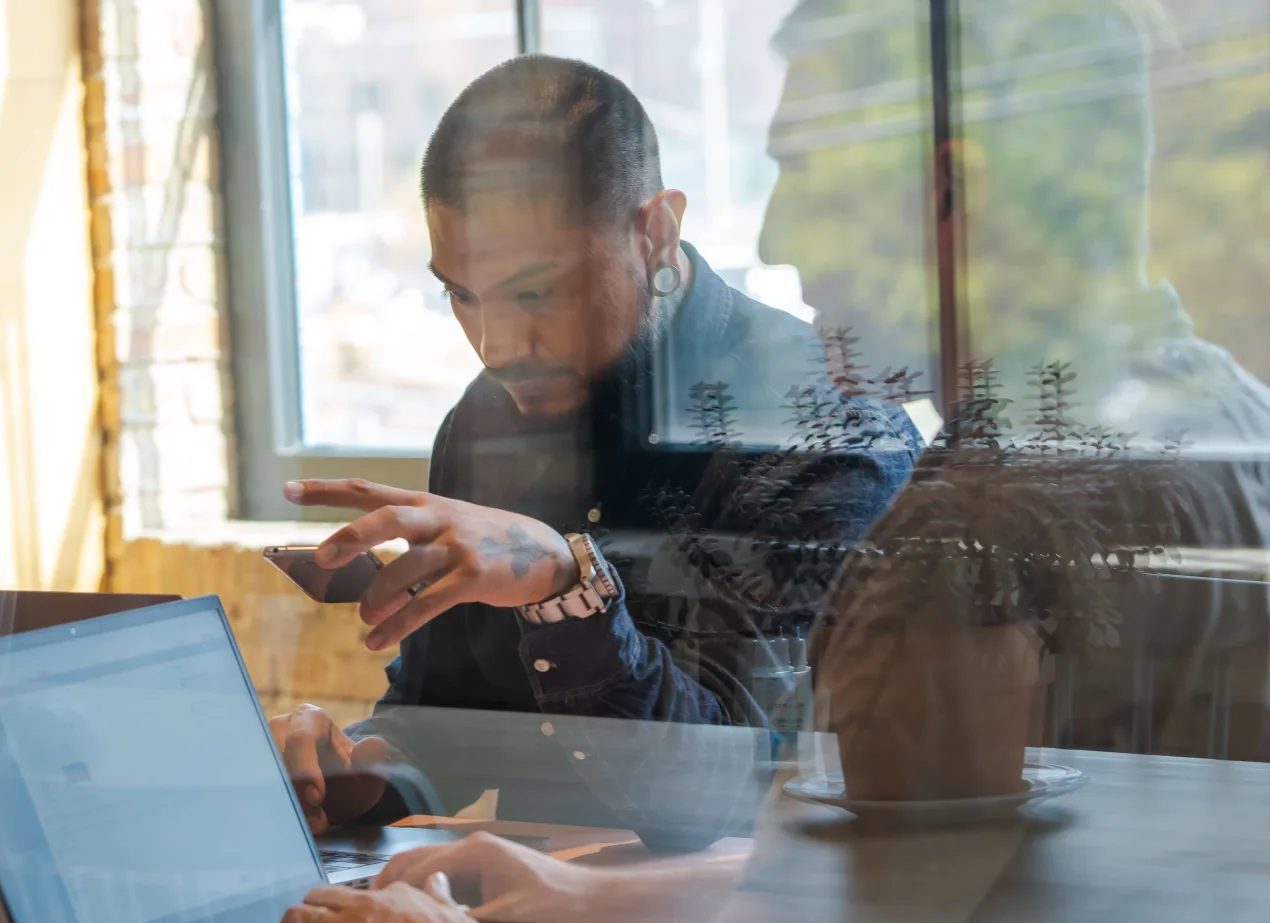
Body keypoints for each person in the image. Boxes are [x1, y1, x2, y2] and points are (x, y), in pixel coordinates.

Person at [264, 2, 1270, 923]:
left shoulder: (967, 543)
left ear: (946, 189)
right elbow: (925, 867)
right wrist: (578, 891)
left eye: (808, 178)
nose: (777, 237)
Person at [269, 54, 922, 849]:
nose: (496, 346)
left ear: (655, 231)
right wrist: (353, 769)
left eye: (536, 290)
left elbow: (734, 797)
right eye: (461, 293)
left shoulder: (818, 425)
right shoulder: (482, 424)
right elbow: (453, 723)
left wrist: (565, 589)